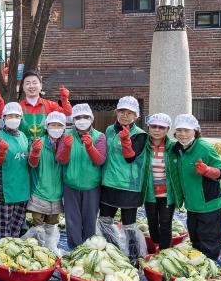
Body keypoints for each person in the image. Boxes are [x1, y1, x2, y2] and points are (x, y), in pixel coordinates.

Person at [167, 114, 221, 260]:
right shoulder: (176, 149)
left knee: (209, 242)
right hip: (192, 204)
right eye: (179, 130)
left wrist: (207, 171)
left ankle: (209, 271)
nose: (182, 134)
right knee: (196, 240)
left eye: (187, 130)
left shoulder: (204, 148)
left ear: (195, 131)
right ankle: (199, 269)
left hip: (209, 204)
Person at [98, 96, 149, 260]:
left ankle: (134, 258)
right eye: (121, 111)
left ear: (136, 116)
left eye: (129, 112)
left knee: (128, 226)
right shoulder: (109, 130)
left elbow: (130, 158)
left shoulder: (140, 135)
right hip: (108, 184)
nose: (125, 115)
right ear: (116, 112)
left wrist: (126, 140)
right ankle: (112, 254)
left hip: (128, 187)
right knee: (105, 222)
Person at [57, 103, 106, 249]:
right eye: (78, 117)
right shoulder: (66, 135)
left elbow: (100, 160)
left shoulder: (99, 136)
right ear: (73, 120)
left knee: (90, 220)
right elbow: (61, 160)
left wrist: (90, 147)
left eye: (85, 117)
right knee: (72, 222)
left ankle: (88, 249)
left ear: (91, 118)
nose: (82, 120)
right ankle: (75, 250)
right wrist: (66, 147)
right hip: (70, 185)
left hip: (91, 186)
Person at [23, 111, 66, 253]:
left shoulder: (66, 144)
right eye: (53, 125)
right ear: (47, 126)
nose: (56, 128)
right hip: (39, 193)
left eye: (59, 125)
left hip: (57, 194)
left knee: (52, 225)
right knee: (38, 226)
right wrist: (35, 153)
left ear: (64, 127)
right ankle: (37, 251)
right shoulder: (39, 142)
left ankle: (50, 249)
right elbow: (32, 164)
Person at [0, 71, 71, 141]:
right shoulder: (17, 108)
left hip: (45, 150)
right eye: (28, 83)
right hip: (23, 151)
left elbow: (68, 119)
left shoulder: (51, 106)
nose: (31, 86)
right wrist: (0, 104)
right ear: (23, 87)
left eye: (34, 83)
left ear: (41, 86)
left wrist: (65, 101)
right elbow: (2, 124)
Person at [0, 102, 32, 239]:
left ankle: (13, 250)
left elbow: (28, 161)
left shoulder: (23, 136)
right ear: (4, 118)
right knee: (5, 228)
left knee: (16, 226)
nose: (13, 119)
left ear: (21, 118)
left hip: (22, 187)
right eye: (10, 116)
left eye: (17, 116)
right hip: (6, 188)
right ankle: (2, 252)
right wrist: (1, 153)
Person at [143, 113, 178, 251]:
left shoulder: (174, 148)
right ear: (149, 127)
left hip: (167, 194)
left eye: (161, 127)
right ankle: (156, 243)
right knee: (152, 223)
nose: (157, 130)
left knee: (165, 223)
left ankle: (165, 252)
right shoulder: (143, 146)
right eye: (154, 126)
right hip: (150, 193)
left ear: (167, 129)